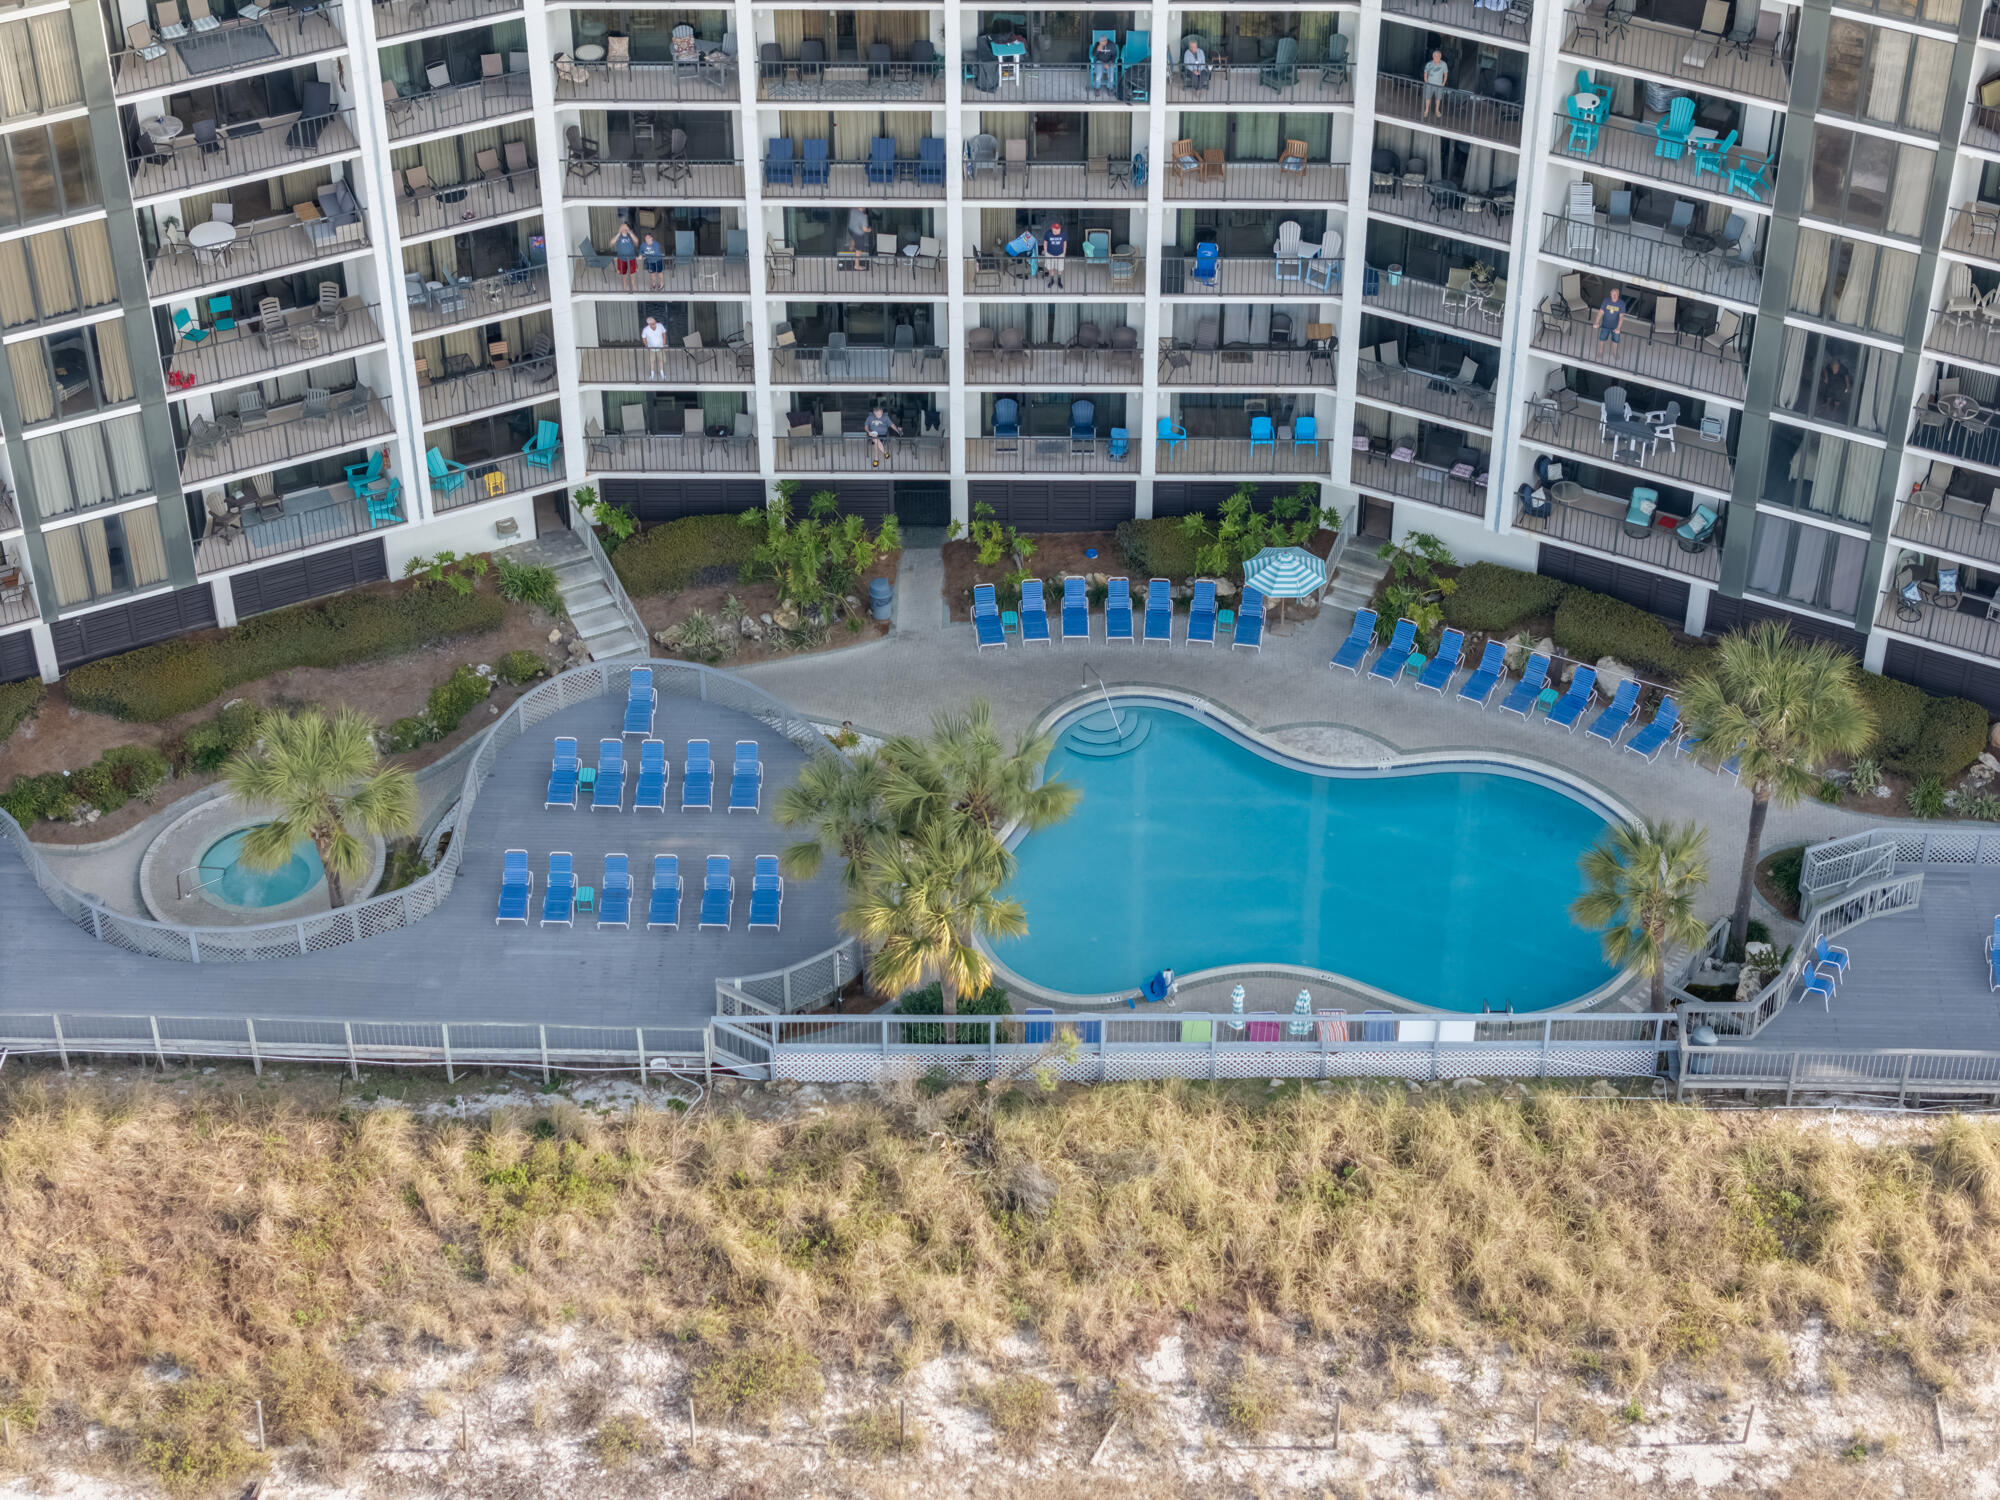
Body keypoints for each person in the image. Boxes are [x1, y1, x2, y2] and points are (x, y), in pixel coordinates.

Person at [864, 403, 901, 468]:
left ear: (882, 412)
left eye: (881, 413)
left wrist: (897, 431)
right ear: (874, 413)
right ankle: (884, 453)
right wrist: (869, 432)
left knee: (875, 441)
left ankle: (876, 459)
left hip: (883, 436)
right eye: (878, 414)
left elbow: (892, 425)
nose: (879, 415)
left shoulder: (885, 417)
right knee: (875, 438)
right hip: (872, 434)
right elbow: (866, 426)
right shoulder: (870, 417)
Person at [610, 218, 639, 289]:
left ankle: (633, 285)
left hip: (631, 258)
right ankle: (625, 285)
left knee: (632, 273)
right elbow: (611, 243)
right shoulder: (618, 236)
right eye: (622, 226)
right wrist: (619, 233)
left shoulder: (630, 235)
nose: (623, 228)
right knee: (624, 274)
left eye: (625, 226)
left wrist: (630, 232)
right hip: (621, 259)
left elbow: (636, 243)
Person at [1422, 49, 1449, 119]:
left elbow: (1445, 74)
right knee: (1428, 97)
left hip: (1439, 85)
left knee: (1438, 98)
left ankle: (1437, 110)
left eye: (1438, 56)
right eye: (1435, 56)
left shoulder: (1444, 64)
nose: (1436, 58)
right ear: (1433, 56)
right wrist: (1426, 82)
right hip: (1429, 84)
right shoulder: (1429, 64)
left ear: (1440, 57)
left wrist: (1443, 83)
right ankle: (1426, 110)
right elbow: (1425, 73)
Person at [1041, 219, 1067, 290]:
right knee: (1050, 268)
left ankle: (1059, 280)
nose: (1056, 232)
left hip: (1060, 254)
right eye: (1055, 230)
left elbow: (1064, 243)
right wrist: (1046, 252)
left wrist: (1064, 252)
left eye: (1058, 230)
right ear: (1052, 229)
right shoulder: (1048, 233)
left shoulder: (1063, 233)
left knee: (1060, 268)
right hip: (1050, 254)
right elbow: (1045, 242)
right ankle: (1051, 280)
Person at [641, 315, 667, 380]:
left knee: (660, 360)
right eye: (653, 324)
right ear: (649, 324)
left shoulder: (660, 325)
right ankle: (652, 374)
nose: (655, 324)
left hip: (660, 347)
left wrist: (664, 342)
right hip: (651, 348)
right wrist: (647, 346)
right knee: (652, 361)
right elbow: (644, 339)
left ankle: (662, 373)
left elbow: (664, 333)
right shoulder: (645, 330)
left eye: (655, 322)